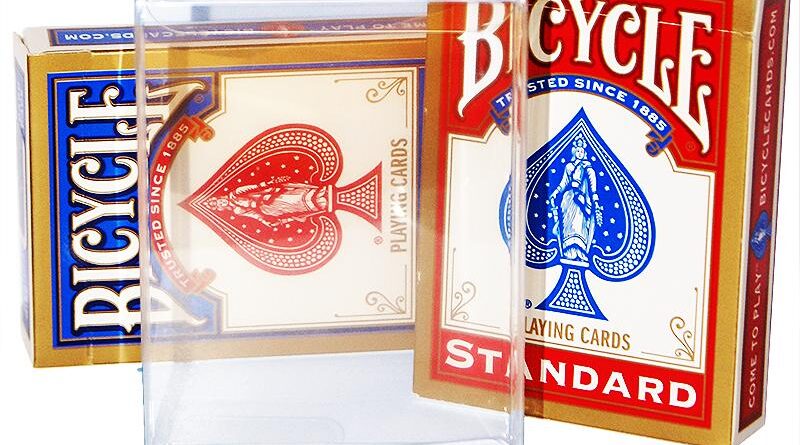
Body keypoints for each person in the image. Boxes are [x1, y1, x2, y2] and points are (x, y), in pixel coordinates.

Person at [547, 135, 604, 264]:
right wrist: (555, 193)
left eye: (582, 151)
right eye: (578, 151)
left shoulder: (588, 168)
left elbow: (593, 186)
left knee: (580, 225)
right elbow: (563, 183)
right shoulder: (569, 167)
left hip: (582, 201)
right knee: (568, 224)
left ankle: (580, 252)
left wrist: (595, 200)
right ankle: (569, 251)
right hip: (569, 199)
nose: (580, 153)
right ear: (574, 152)